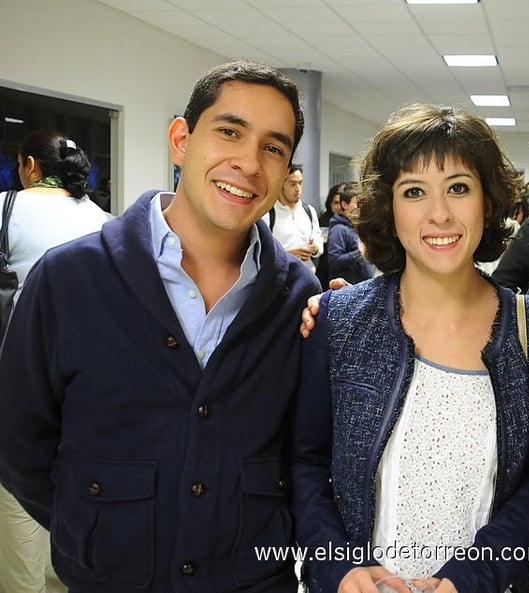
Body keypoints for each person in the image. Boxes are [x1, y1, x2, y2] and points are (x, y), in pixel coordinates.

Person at [0, 60, 320, 593]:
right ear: (181, 139)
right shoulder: (69, 278)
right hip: (105, 578)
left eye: (272, 147)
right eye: (229, 131)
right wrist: (93, 523)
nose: (248, 162)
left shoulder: (298, 300)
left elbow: (306, 453)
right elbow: (17, 438)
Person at [291, 103, 529, 593]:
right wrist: (338, 569)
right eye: (414, 191)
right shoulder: (339, 320)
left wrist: (471, 578)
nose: (439, 214)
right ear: (388, 207)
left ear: (487, 201)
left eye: (459, 187)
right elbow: (306, 462)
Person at [0, 129, 110, 593]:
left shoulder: (7, 207)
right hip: (93, 387)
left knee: (16, 500)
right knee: (72, 499)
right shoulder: (109, 221)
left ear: (29, 166)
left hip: (17, 377)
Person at [264, 163, 323, 274]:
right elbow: (262, 250)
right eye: (292, 184)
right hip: (279, 277)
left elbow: (318, 240)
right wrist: (286, 255)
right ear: (281, 184)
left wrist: (315, 248)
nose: (298, 189)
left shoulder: (309, 210)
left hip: (307, 276)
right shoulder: (268, 213)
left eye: (300, 183)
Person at [327, 184, 375, 283]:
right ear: (345, 205)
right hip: (347, 289)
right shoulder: (339, 229)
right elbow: (334, 261)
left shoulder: (358, 227)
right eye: (357, 202)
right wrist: (358, 253)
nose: (361, 206)